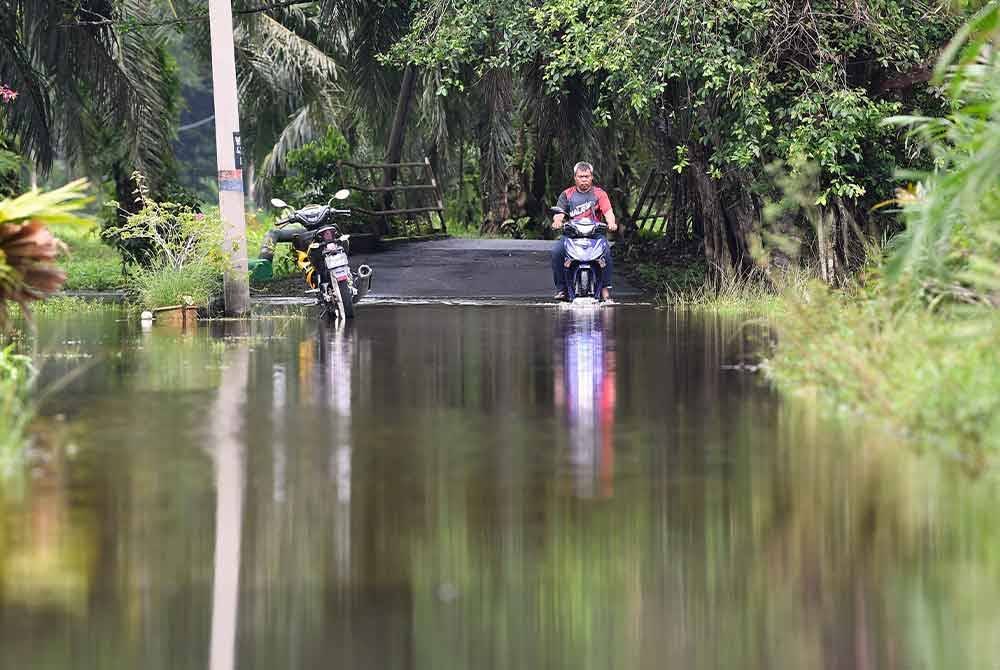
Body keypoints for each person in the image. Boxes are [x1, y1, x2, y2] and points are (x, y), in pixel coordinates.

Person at [551, 162, 618, 300]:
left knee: (606, 251)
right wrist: (557, 221)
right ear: (575, 177)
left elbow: (608, 211)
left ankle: (605, 289)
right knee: (557, 252)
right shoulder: (567, 194)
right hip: (572, 234)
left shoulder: (600, 194)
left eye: (587, 176)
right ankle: (562, 288)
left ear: (592, 177)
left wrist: (611, 223)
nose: (584, 179)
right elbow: (559, 212)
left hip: (595, 234)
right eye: (581, 176)